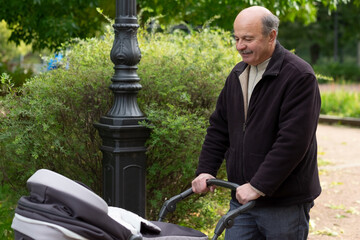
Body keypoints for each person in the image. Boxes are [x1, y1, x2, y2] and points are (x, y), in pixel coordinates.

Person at [191, 6, 321, 240]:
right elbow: (219, 128)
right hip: (241, 200)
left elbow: (293, 142)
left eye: (248, 39)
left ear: (272, 36)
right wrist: (206, 170)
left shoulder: (299, 76)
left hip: (284, 205)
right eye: (237, 38)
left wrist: (258, 186)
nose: (240, 46)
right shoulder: (238, 74)